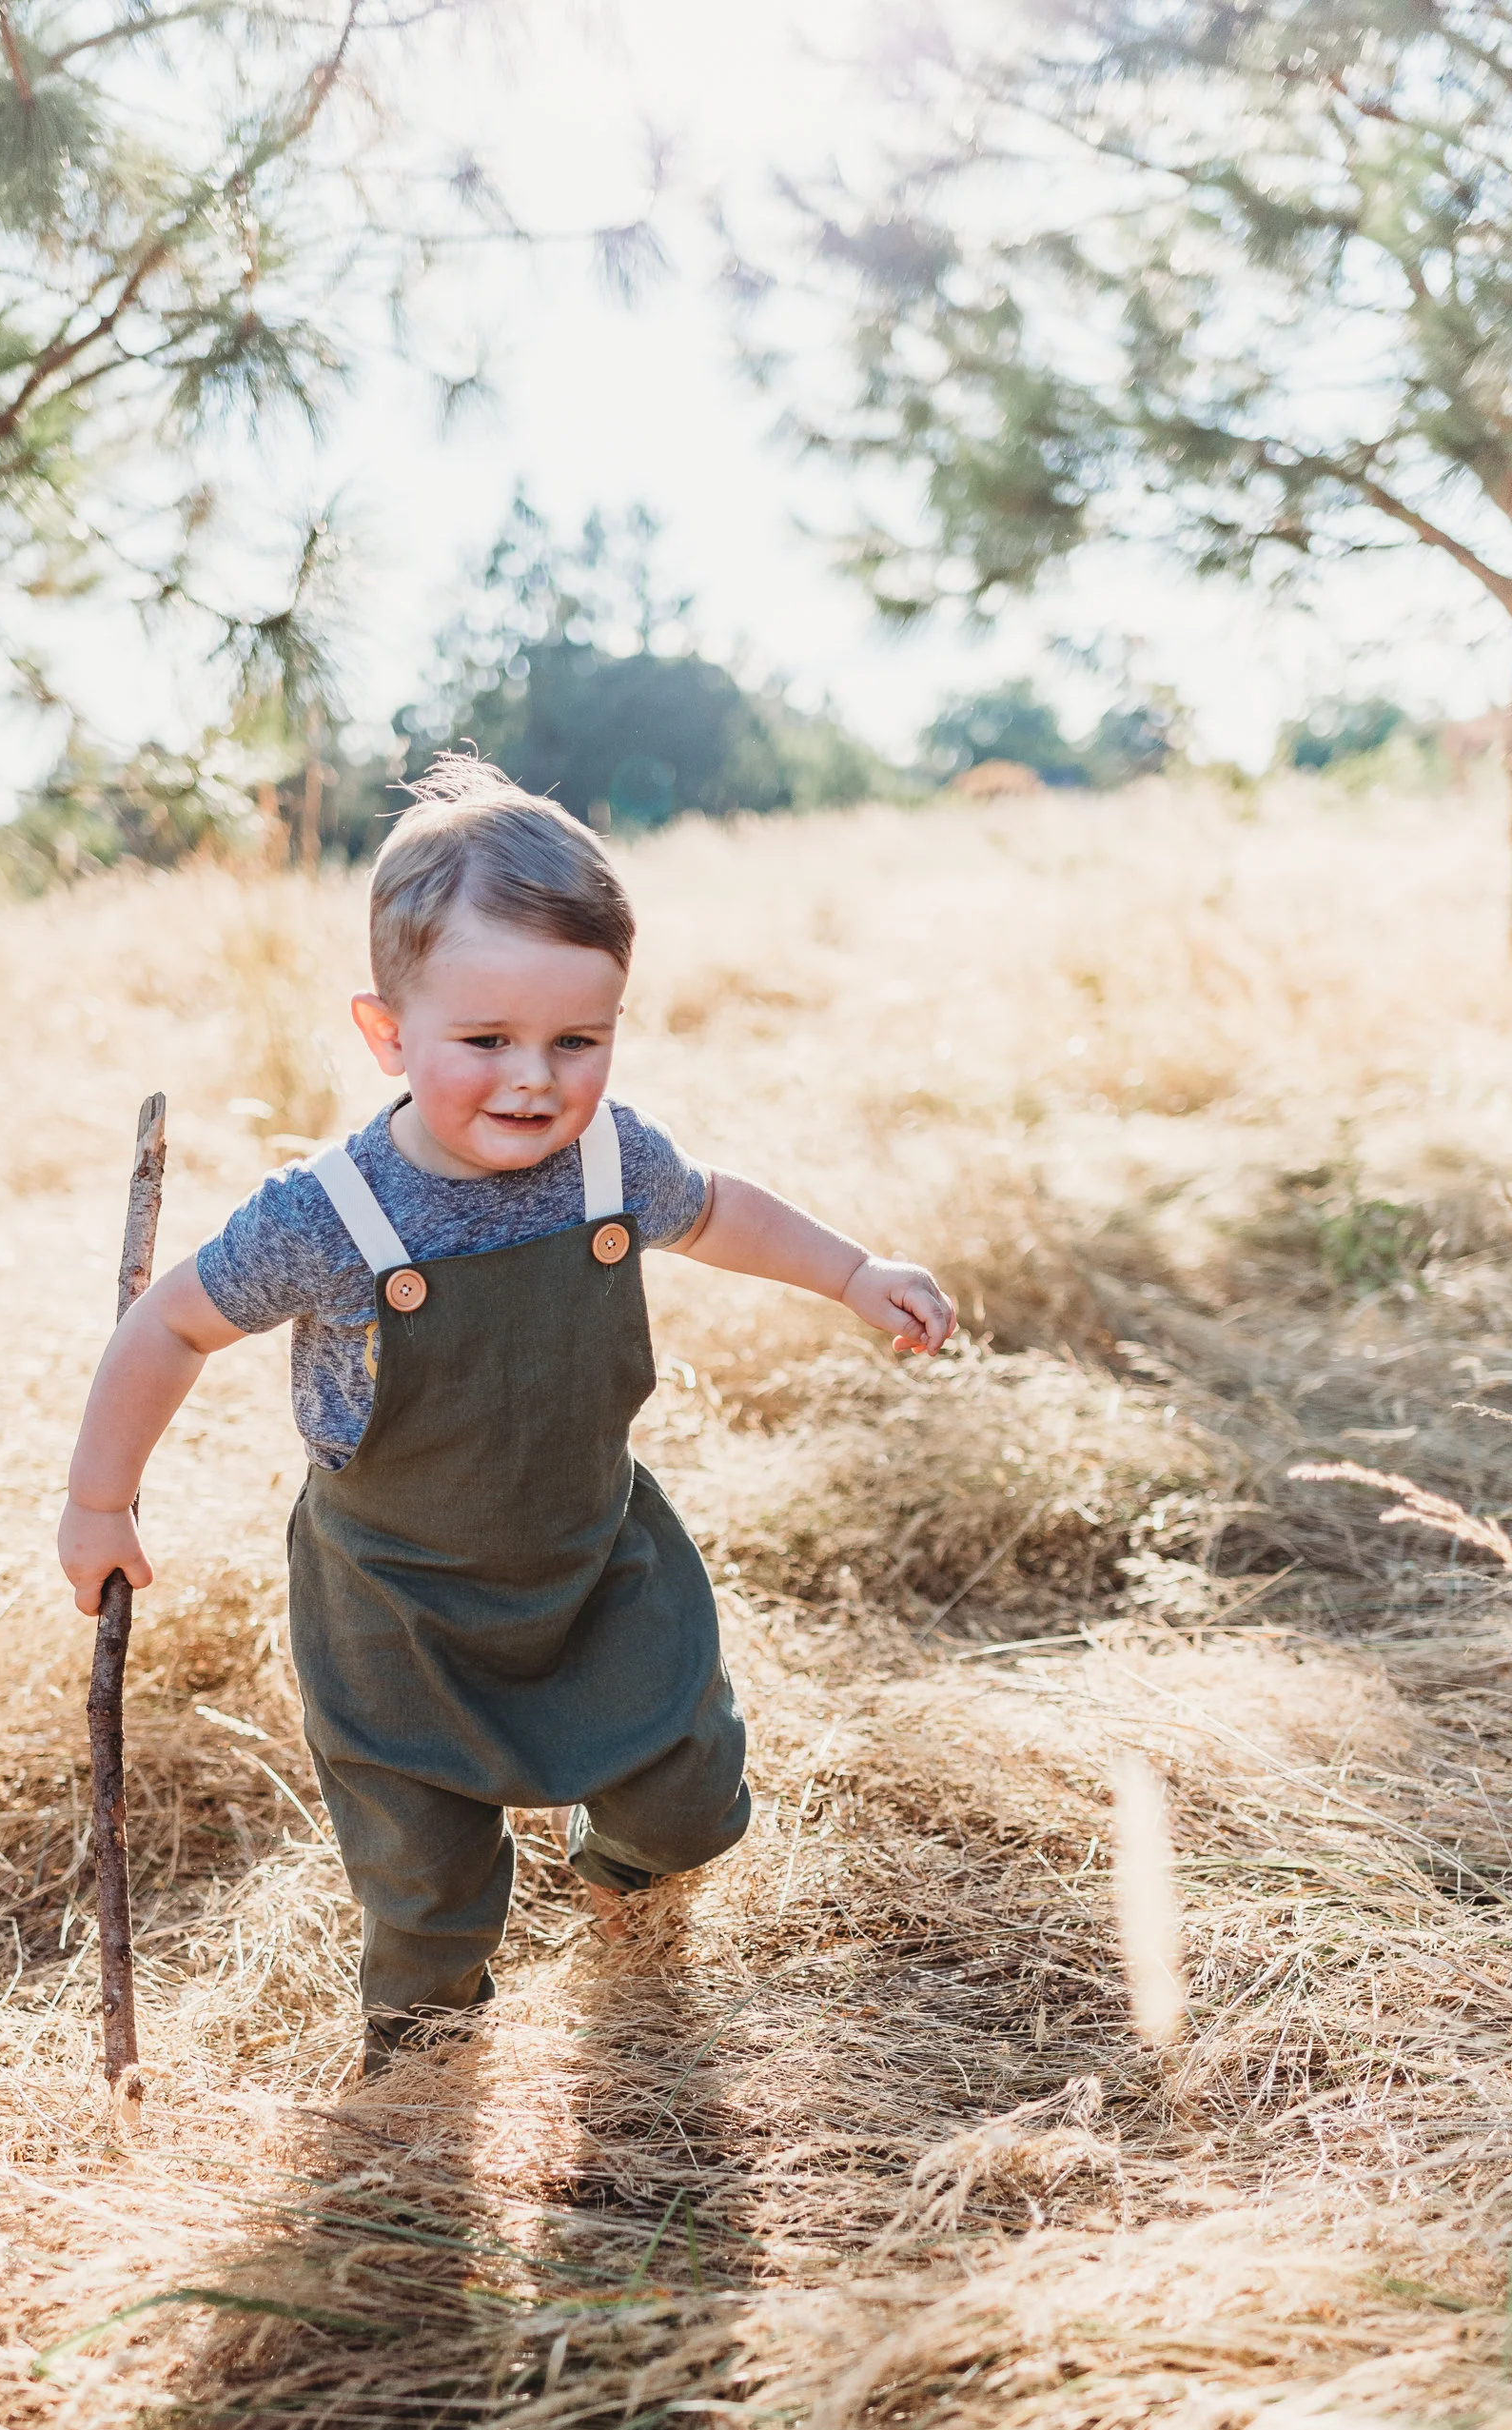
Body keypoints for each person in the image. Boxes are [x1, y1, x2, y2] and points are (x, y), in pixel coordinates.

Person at [59, 756, 956, 2076]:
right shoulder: (329, 1216)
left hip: (594, 1562)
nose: (534, 1079)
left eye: (577, 1041)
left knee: (693, 1799)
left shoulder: (612, 1161)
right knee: (426, 1882)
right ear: (388, 1035)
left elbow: (719, 1209)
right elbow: (169, 1324)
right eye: (485, 1041)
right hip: (399, 1606)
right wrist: (100, 1500)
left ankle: (622, 1887)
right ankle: (420, 2066)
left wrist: (851, 1271)